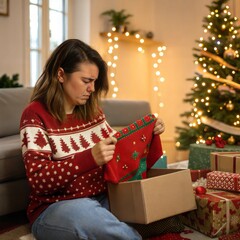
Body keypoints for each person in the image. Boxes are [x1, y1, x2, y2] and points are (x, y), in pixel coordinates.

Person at [20, 39, 165, 240]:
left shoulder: (92, 111)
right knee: (86, 216)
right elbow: (39, 181)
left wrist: (150, 131)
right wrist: (89, 158)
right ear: (61, 75)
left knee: (159, 202)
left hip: (104, 197)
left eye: (95, 82)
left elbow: (118, 151)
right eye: (86, 81)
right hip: (56, 207)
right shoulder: (35, 115)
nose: (92, 89)